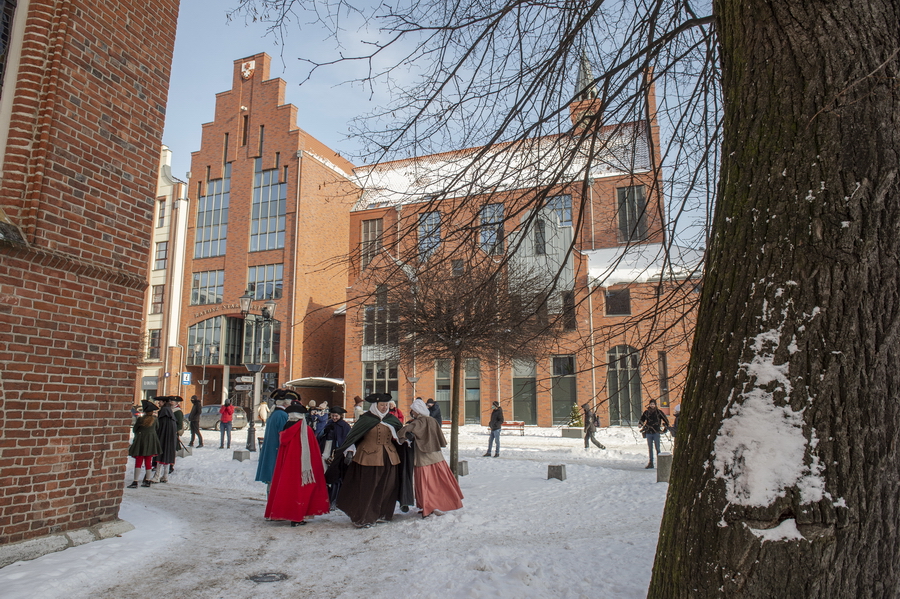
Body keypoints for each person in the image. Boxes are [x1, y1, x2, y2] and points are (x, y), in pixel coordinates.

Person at [333, 393, 405, 528]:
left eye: (386, 405)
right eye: (382, 405)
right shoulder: (365, 419)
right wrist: (349, 451)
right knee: (368, 488)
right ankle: (364, 517)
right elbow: (353, 436)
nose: (384, 408)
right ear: (375, 406)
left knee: (388, 486)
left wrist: (407, 437)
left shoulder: (391, 419)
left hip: (390, 458)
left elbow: (400, 435)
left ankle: (382, 514)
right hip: (368, 458)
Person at [264, 404, 330, 526]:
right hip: (303, 467)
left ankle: (284, 513)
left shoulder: (285, 429)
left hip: (287, 467)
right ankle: (298, 517)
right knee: (302, 492)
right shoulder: (306, 430)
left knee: (287, 490)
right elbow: (313, 450)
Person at [397, 398, 464, 517]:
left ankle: (428, 505)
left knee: (426, 484)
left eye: (413, 410)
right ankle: (444, 502)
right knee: (440, 482)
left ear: (417, 411)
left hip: (423, 458)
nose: (412, 412)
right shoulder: (432, 421)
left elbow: (401, 433)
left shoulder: (417, 423)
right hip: (436, 456)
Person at [256, 390, 294, 490]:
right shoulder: (282, 415)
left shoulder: (275, 413)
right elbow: (284, 436)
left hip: (272, 450)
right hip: (276, 452)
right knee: (275, 482)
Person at [319, 406, 352, 506]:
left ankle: (335, 499)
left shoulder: (345, 426)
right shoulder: (329, 424)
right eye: (333, 416)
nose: (334, 418)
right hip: (327, 448)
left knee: (336, 476)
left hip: (338, 452)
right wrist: (325, 431)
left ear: (340, 416)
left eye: (336, 416)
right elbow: (320, 436)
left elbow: (347, 440)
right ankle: (327, 497)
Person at [127, 400, 161, 488]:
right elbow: (157, 428)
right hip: (151, 441)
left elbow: (135, 429)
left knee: (138, 461)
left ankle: (135, 481)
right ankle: (148, 480)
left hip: (141, 440)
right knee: (148, 462)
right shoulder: (155, 420)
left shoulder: (141, 419)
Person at [150, 396, 178, 483]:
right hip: (170, 437)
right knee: (167, 456)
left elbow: (160, 426)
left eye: (160, 402)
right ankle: (165, 476)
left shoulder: (164, 411)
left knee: (160, 455)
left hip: (163, 436)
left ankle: (157, 476)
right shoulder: (169, 411)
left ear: (163, 402)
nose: (159, 403)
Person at [639, 399, 670, 469]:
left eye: (653, 404)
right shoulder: (646, 412)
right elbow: (642, 419)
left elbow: (666, 420)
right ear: (649, 405)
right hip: (649, 432)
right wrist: (640, 424)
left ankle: (660, 464)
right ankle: (651, 463)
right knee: (650, 448)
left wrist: (665, 425)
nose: (652, 405)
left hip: (656, 432)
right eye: (651, 404)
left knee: (658, 448)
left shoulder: (659, 412)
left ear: (655, 405)